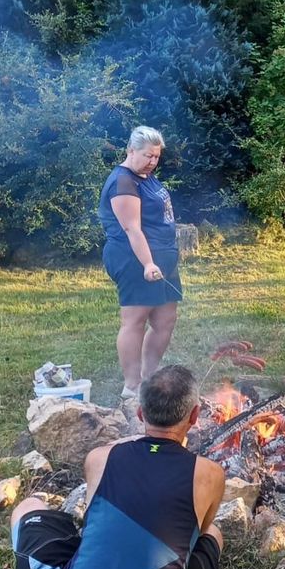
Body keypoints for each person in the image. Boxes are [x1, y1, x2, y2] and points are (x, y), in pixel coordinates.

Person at [10, 365, 226, 569]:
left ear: (139, 414)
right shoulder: (210, 474)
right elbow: (199, 533)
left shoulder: (99, 457)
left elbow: (95, 521)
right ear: (195, 415)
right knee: (213, 533)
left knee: (29, 507)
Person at [98, 126, 181, 399]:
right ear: (130, 150)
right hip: (134, 259)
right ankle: (131, 386)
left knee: (166, 319)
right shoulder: (123, 182)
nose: (152, 161)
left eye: (156, 156)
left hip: (162, 259)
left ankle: (149, 377)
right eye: (147, 155)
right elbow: (132, 229)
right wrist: (147, 263)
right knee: (135, 320)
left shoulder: (146, 177)